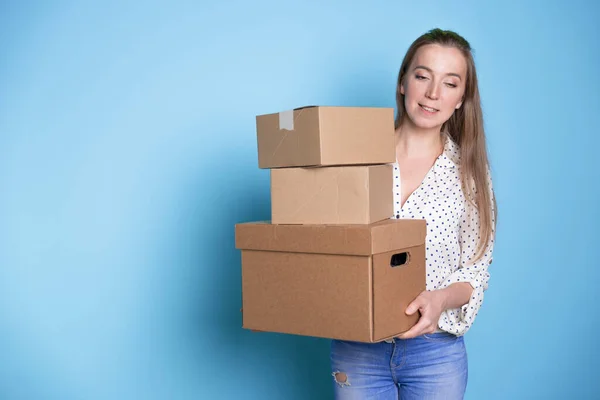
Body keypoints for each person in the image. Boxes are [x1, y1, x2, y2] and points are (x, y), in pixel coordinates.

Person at [329, 28, 498, 399]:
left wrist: (439, 301)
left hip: (434, 352)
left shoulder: (468, 173)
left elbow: (475, 269)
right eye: (422, 76)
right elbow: (325, 244)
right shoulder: (354, 158)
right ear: (403, 82)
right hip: (358, 345)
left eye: (450, 83)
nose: (433, 94)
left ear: (461, 99)